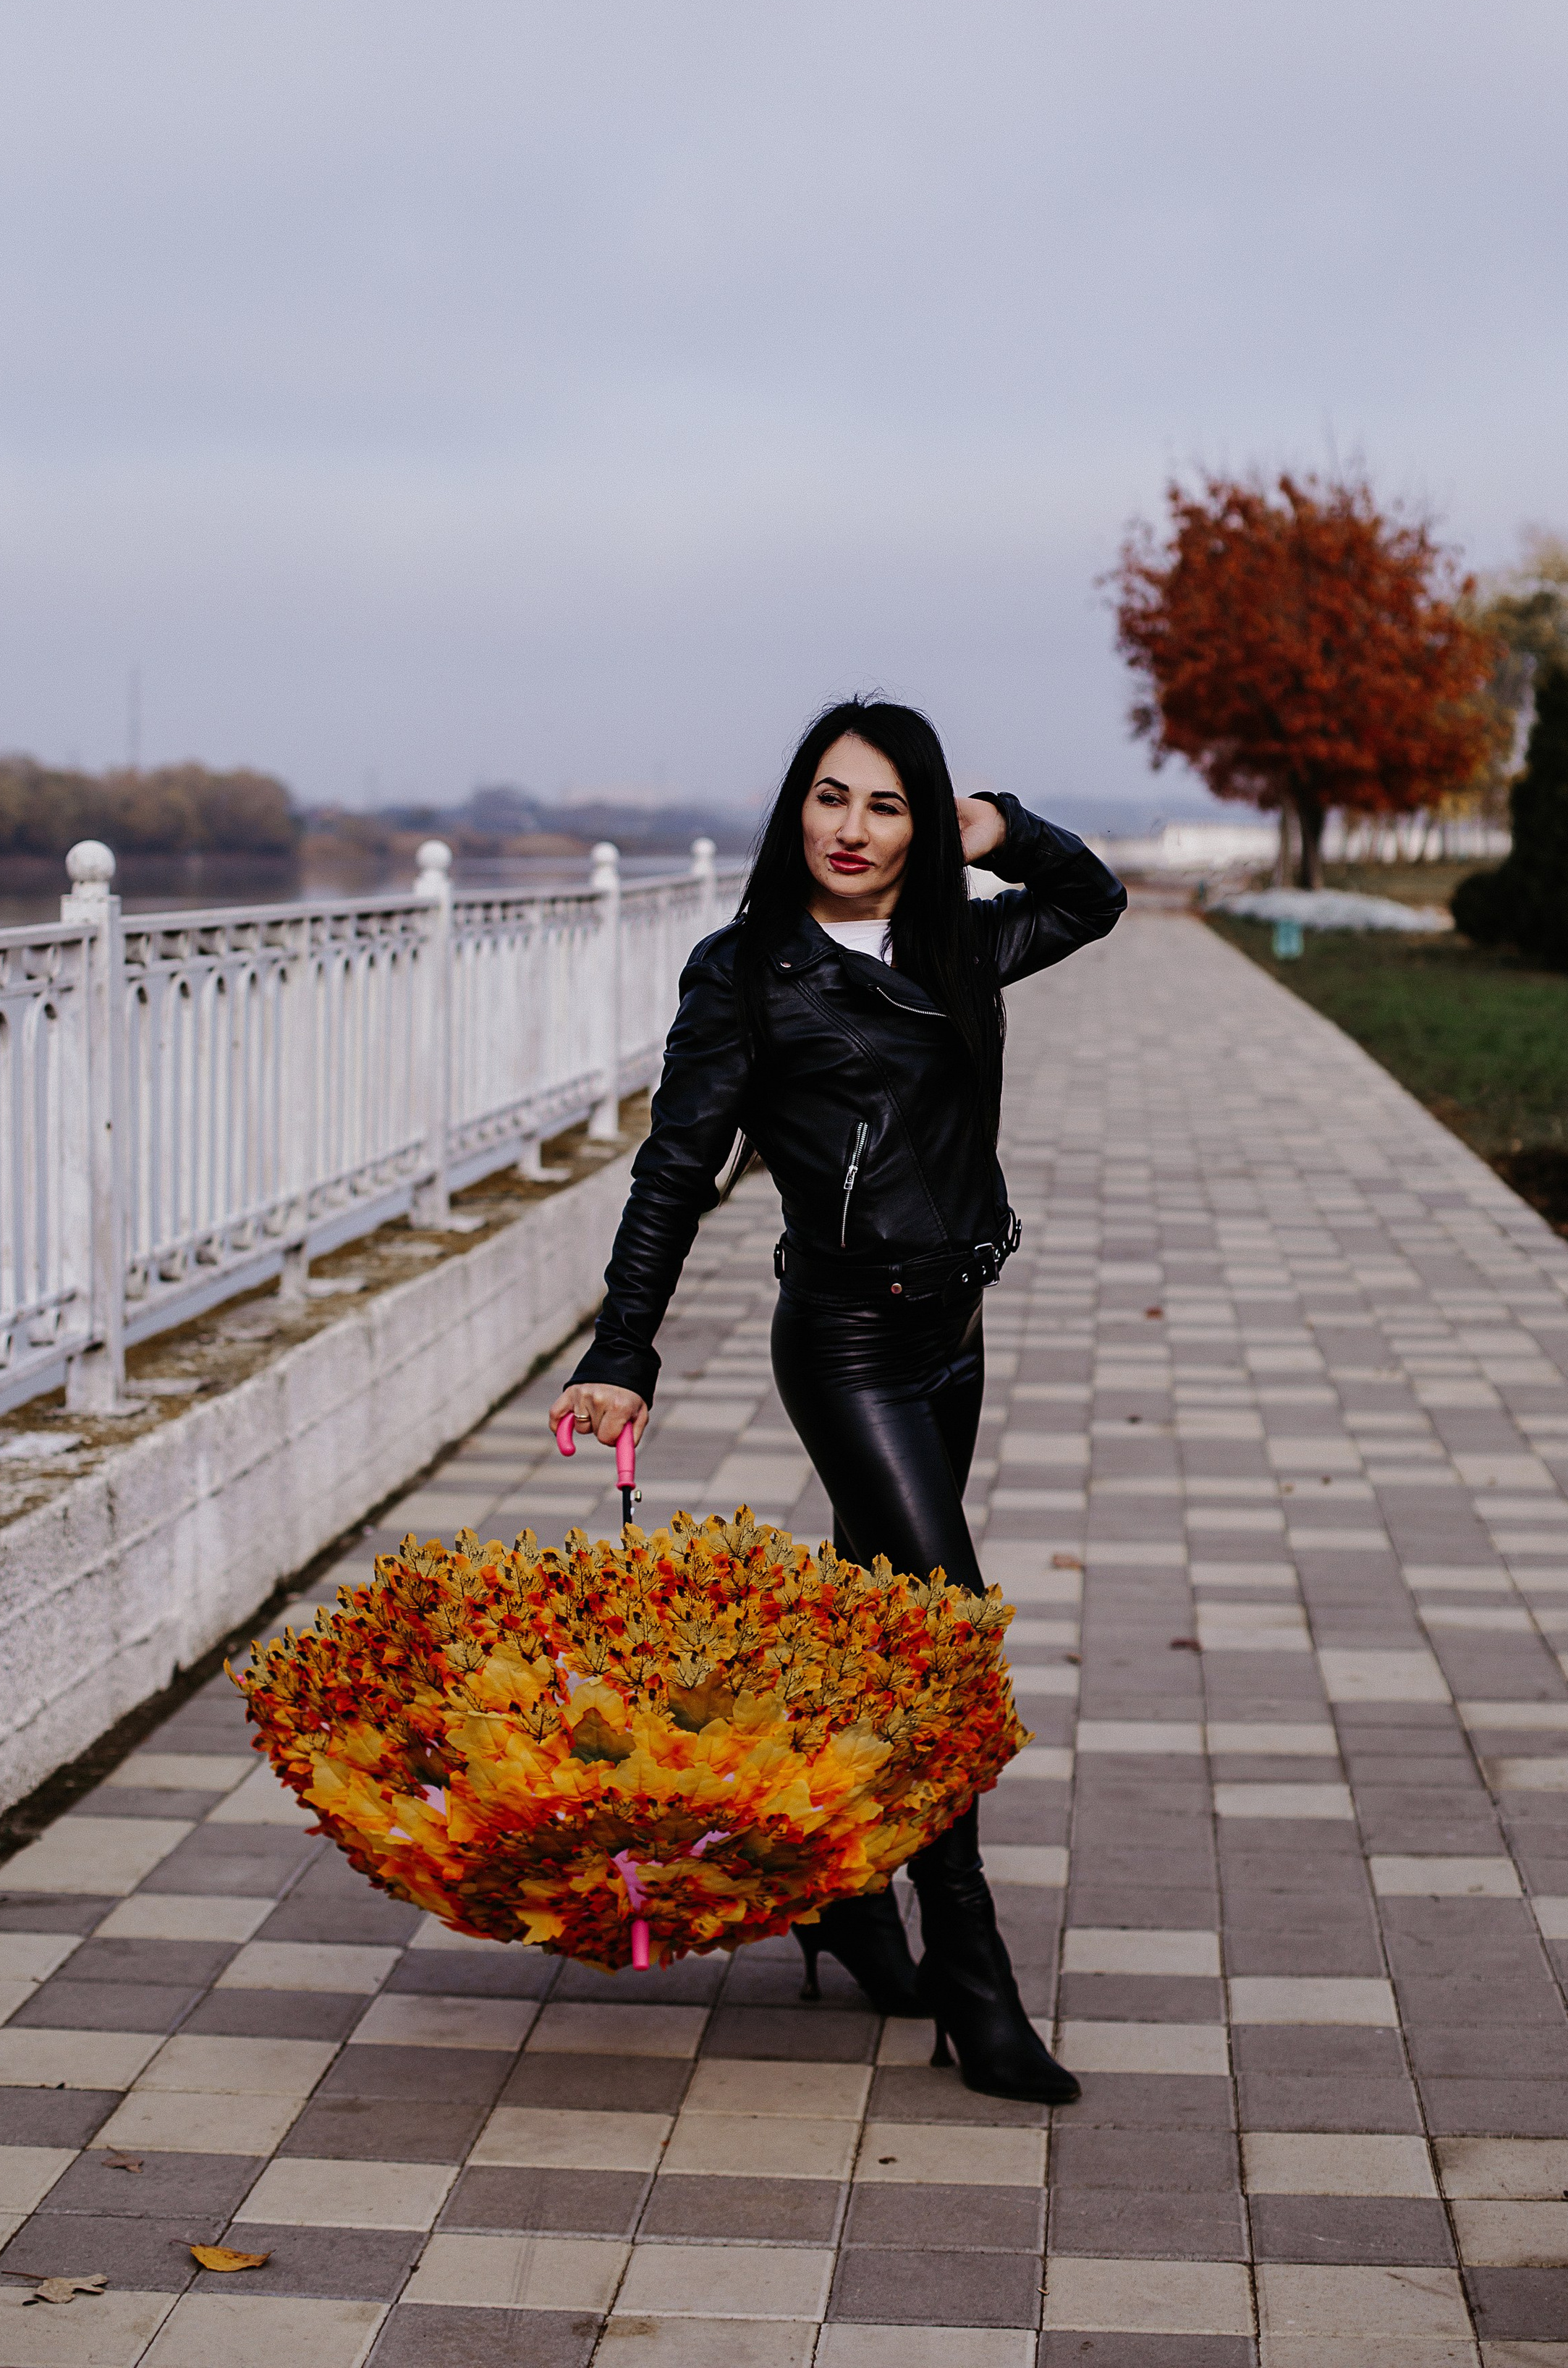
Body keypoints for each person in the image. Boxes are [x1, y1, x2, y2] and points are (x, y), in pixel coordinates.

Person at [551, 697, 1126, 2103]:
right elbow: (674, 1170)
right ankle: (972, 1981)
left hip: (954, 1331)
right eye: (829, 796)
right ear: (792, 807)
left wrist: (999, 823)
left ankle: (848, 1894)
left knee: (876, 1639)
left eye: (884, 804)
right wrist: (622, 1351)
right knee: (944, 1643)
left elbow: (1092, 900)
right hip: (848, 1344)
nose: (851, 829)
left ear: (923, 825)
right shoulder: (745, 971)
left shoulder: (956, 946)